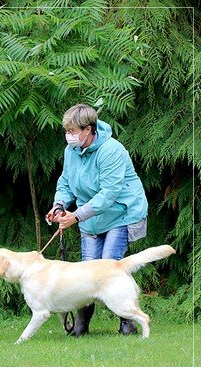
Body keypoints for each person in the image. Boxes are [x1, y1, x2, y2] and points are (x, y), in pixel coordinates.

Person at [46, 104, 148, 337]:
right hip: (91, 219)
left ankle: (128, 322)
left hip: (120, 214)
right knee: (87, 273)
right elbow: (65, 183)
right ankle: (81, 326)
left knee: (111, 268)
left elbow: (109, 193)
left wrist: (76, 216)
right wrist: (59, 206)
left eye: (73, 131)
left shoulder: (112, 150)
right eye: (67, 131)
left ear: (88, 129)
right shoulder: (70, 151)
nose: (68, 136)